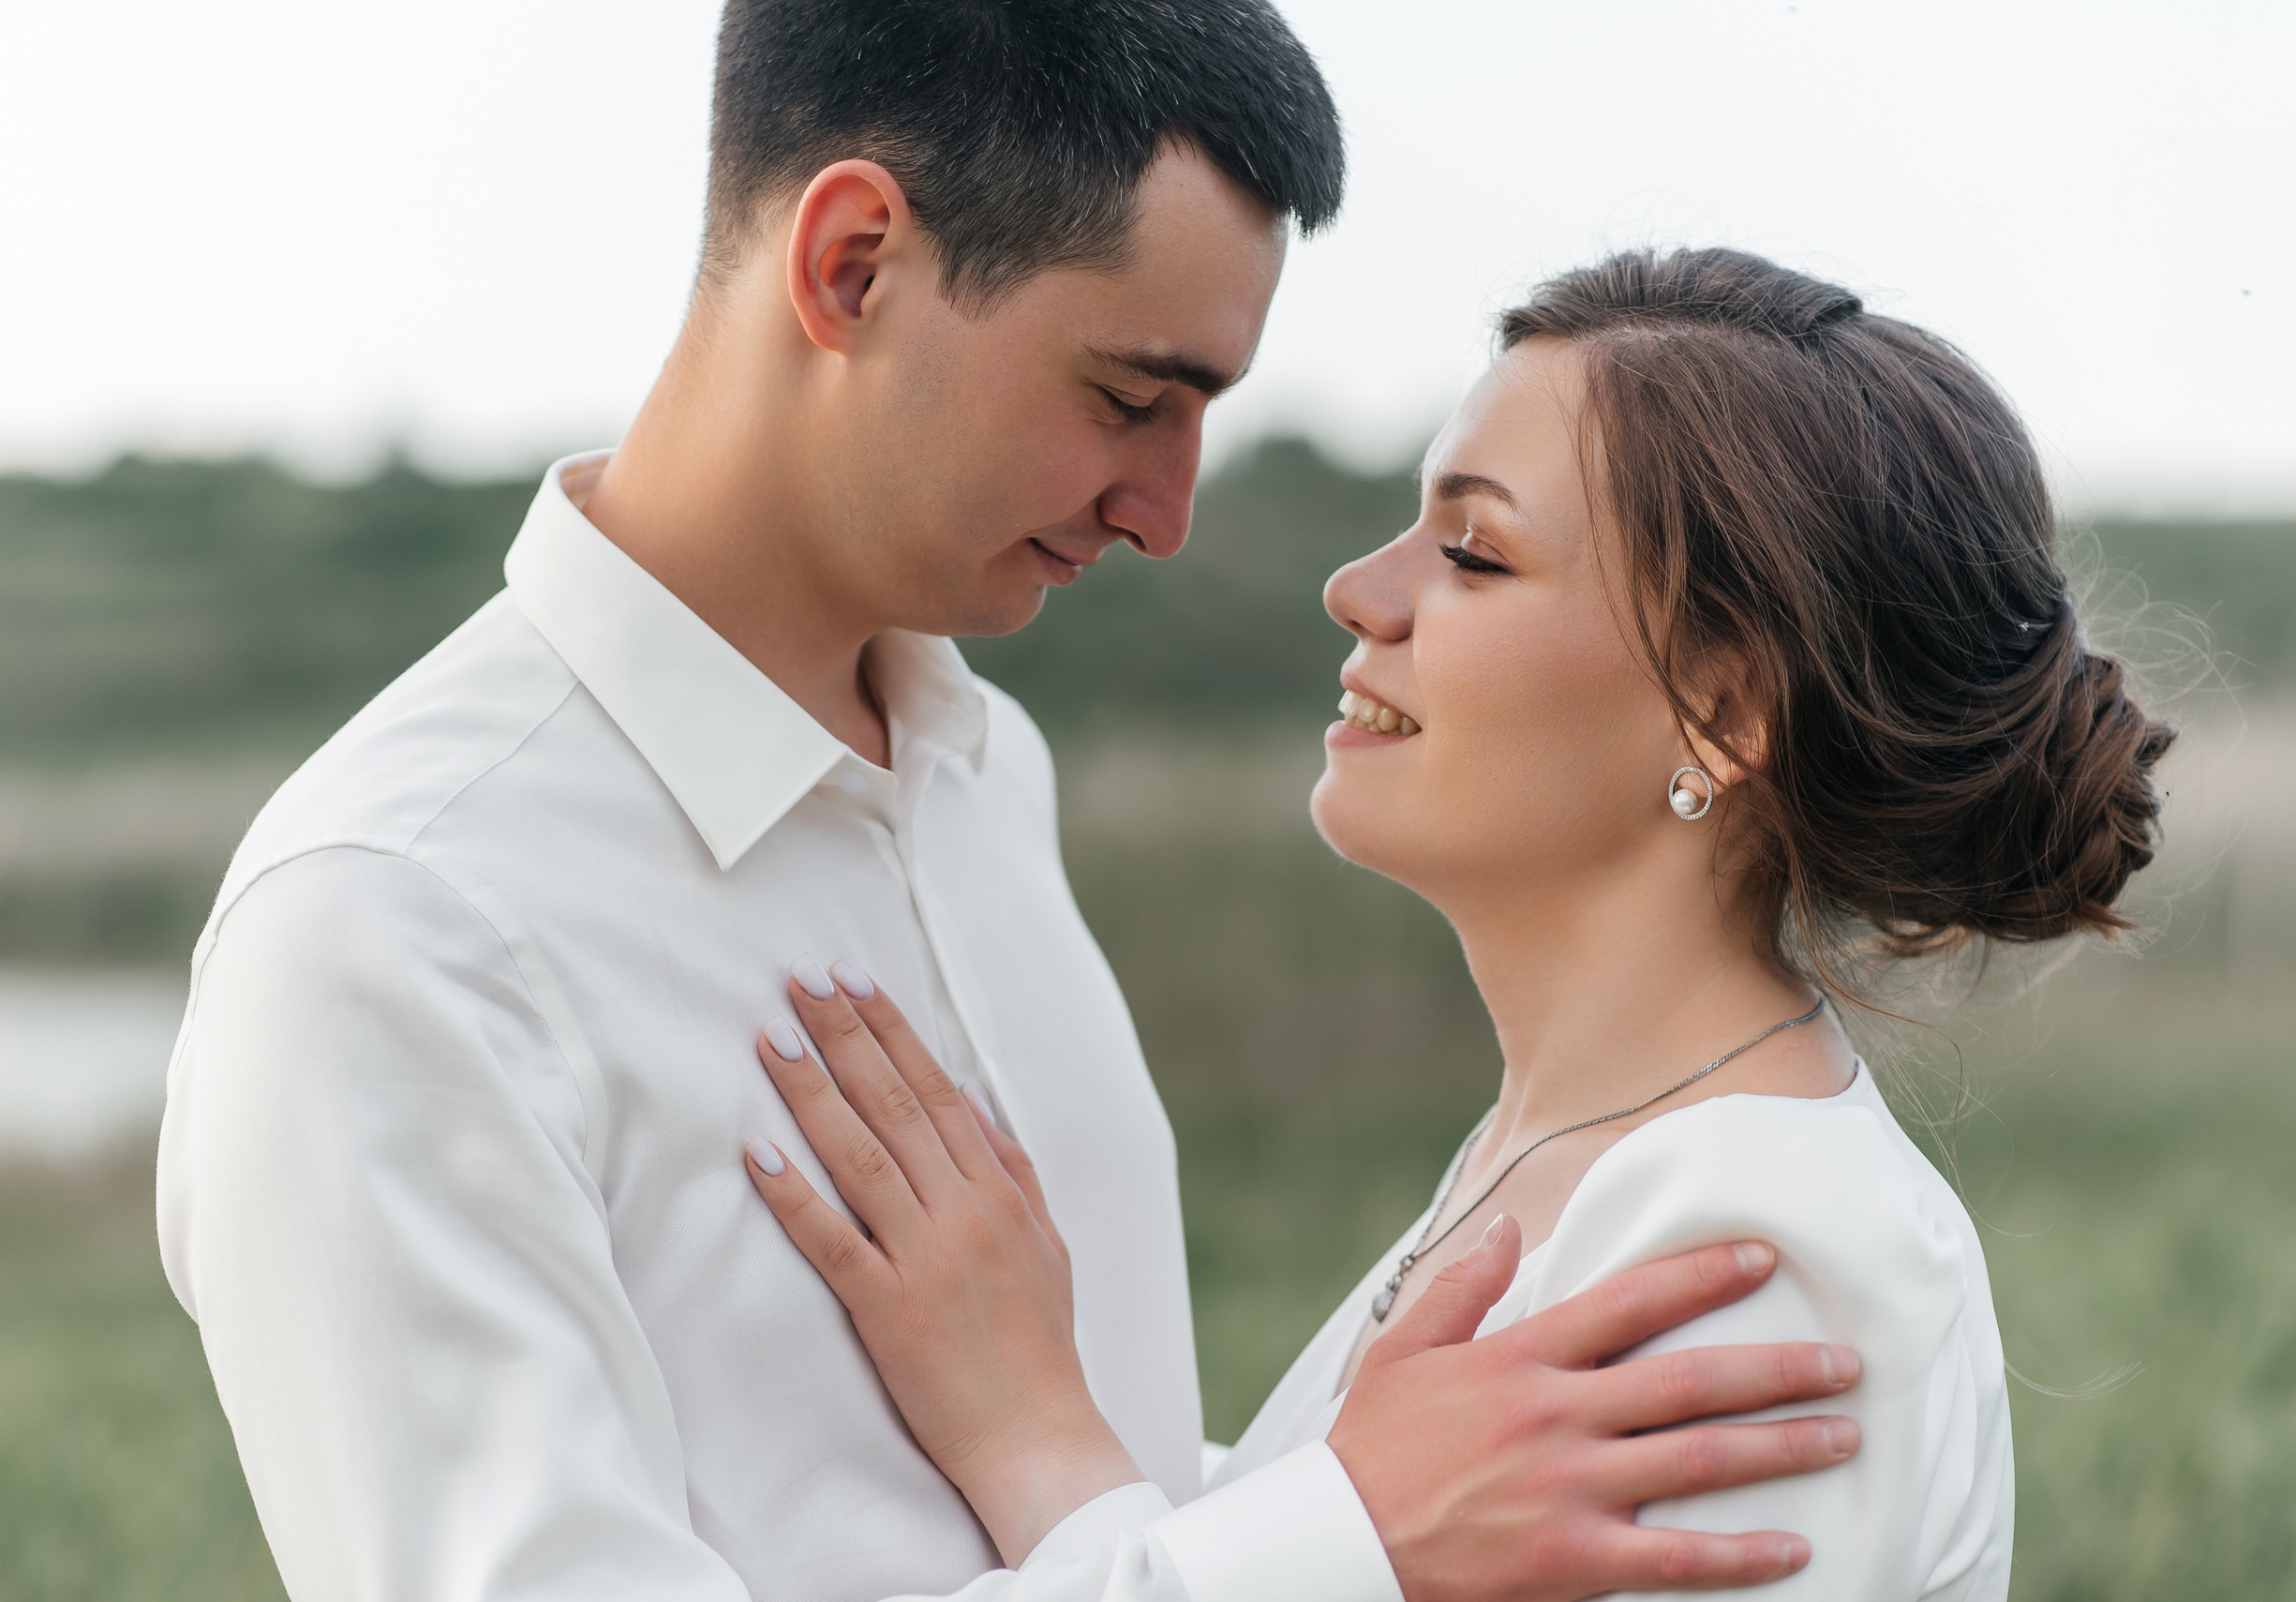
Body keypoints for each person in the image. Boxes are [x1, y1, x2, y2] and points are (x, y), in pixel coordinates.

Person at [156, 5, 1864, 1598]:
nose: (1166, 513)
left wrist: (1336, 1493)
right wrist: (1336, 1535)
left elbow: (1078, 1490)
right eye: (1128, 399)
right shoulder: (393, 926)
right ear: (851, 263)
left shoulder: (985, 777)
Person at [738, 247, 2177, 1601]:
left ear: (1723, 711)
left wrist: (1034, 1436)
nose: (1360, 591)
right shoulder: (1567, 1152)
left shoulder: (1754, 1255)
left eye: (1475, 552)